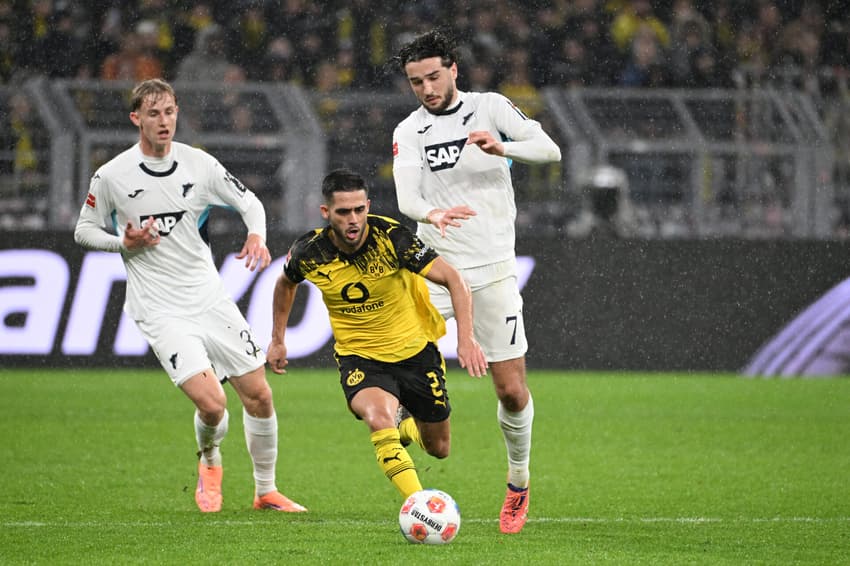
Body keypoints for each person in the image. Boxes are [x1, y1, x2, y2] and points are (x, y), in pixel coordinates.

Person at [73, 78, 306, 514]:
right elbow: (83, 230)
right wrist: (123, 243)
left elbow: (250, 203)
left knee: (259, 395)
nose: (164, 121)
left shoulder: (198, 164)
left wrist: (256, 235)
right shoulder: (112, 176)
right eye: (154, 113)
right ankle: (210, 459)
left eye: (169, 112)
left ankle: (265, 492)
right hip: (160, 309)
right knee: (213, 405)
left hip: (209, 298)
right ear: (136, 118)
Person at [391, 30, 562, 534]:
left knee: (510, 390)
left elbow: (550, 150)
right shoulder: (409, 130)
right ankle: (404, 423)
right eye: (416, 82)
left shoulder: (490, 107)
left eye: (433, 77)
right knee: (393, 373)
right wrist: (433, 214)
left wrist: (502, 145)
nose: (426, 88)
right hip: (434, 272)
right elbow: (406, 198)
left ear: (453, 69)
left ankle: (518, 481)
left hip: (493, 272)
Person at [266, 168, 488, 501]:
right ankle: (419, 504)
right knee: (377, 417)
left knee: (438, 447)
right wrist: (278, 339)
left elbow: (454, 279)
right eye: (343, 212)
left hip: (415, 352)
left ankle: (404, 424)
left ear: (368, 206)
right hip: (361, 357)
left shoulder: (392, 238)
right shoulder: (310, 251)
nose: (353, 220)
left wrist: (466, 338)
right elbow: (285, 284)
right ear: (326, 212)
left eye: (359, 209)